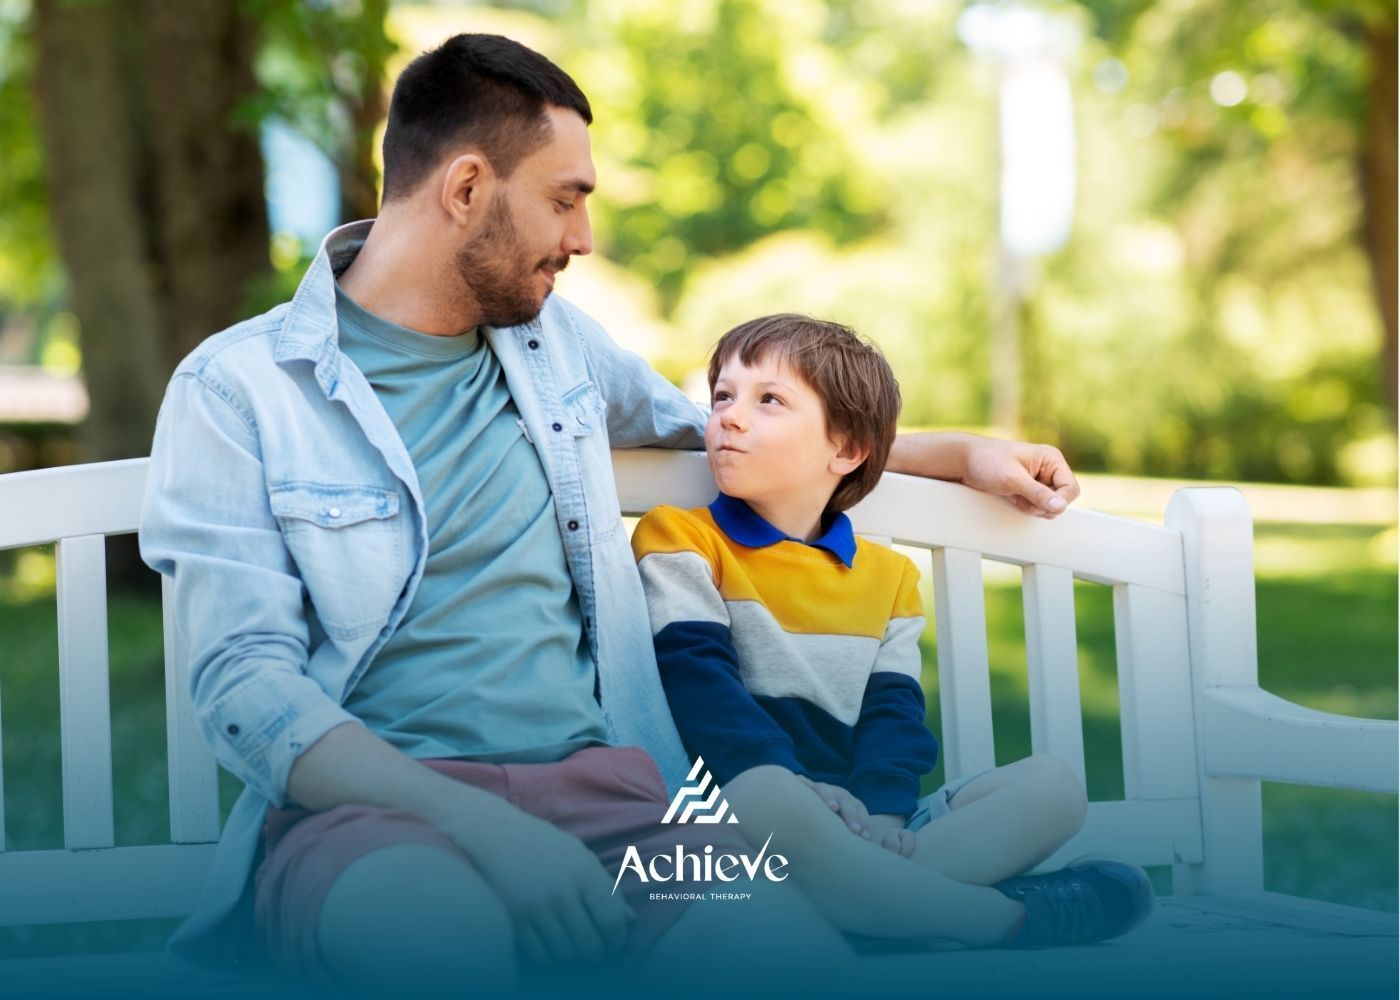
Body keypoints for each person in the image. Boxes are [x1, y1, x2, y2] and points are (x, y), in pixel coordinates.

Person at [139, 32, 1082, 993]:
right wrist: (486, 827)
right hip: (379, 824)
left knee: (785, 963)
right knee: (444, 948)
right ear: (465, 190)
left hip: (613, 808)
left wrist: (957, 453)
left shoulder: (554, 346)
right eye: (565, 199)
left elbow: (705, 433)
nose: (582, 239)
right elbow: (247, 691)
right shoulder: (240, 389)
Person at [632, 313, 1153, 949]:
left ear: (846, 450)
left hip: (866, 826)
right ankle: (993, 919)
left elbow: (893, 716)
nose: (730, 417)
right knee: (768, 794)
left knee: (1055, 789)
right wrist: (801, 787)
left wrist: (881, 814)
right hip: (746, 814)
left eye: (769, 400)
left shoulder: (889, 578)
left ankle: (866, 905)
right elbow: (701, 688)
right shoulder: (679, 537)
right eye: (723, 396)